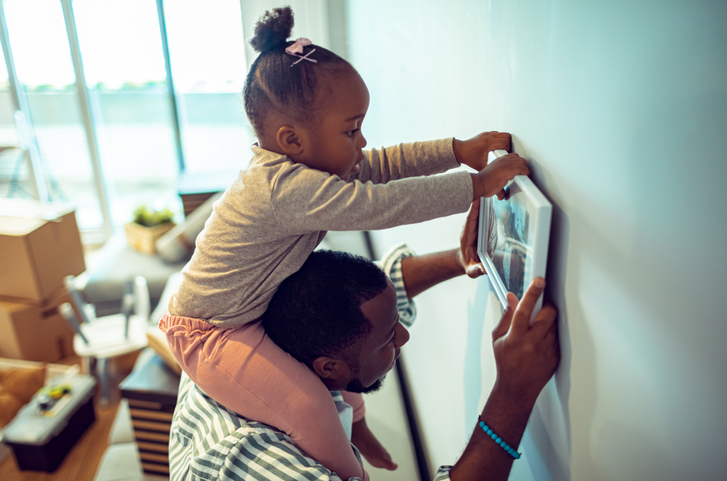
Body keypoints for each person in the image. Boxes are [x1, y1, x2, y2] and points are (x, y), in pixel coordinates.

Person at [160, 6, 529, 480]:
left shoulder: (305, 168)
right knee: (309, 403)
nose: (362, 140)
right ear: (291, 139)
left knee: (342, 378)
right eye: (351, 129)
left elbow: (381, 165)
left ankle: (354, 426)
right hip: (210, 330)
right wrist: (475, 186)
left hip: (235, 312)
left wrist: (457, 150)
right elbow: (381, 205)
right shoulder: (284, 190)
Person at [168, 202, 560, 481]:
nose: (404, 335)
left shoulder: (266, 329)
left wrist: (465, 258)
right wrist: (513, 392)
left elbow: (376, 301)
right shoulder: (256, 463)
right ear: (329, 369)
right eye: (390, 338)